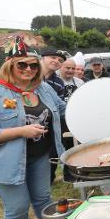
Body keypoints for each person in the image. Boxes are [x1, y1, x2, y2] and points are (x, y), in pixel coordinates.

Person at [0, 37, 65, 219]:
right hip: (7, 163)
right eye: (22, 65)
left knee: (44, 199)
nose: (29, 70)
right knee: (18, 208)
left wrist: (92, 107)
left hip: (39, 157)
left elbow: (62, 109)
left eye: (34, 66)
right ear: (9, 65)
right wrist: (20, 131)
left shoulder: (43, 88)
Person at [40, 48, 67, 184]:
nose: (56, 61)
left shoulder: (59, 83)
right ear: (43, 57)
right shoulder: (32, 75)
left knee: (52, 152)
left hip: (51, 123)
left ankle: (49, 179)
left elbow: (60, 106)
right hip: (30, 123)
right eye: (53, 57)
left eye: (60, 60)